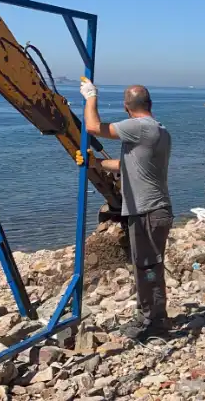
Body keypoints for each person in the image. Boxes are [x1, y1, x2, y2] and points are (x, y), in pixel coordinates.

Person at [80, 80, 173, 339]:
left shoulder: (139, 127)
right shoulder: (158, 130)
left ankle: (152, 322)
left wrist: (91, 97)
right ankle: (153, 316)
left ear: (126, 107)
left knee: (147, 268)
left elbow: (93, 127)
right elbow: (126, 165)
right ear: (150, 103)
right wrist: (96, 163)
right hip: (153, 210)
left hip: (147, 212)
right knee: (148, 266)